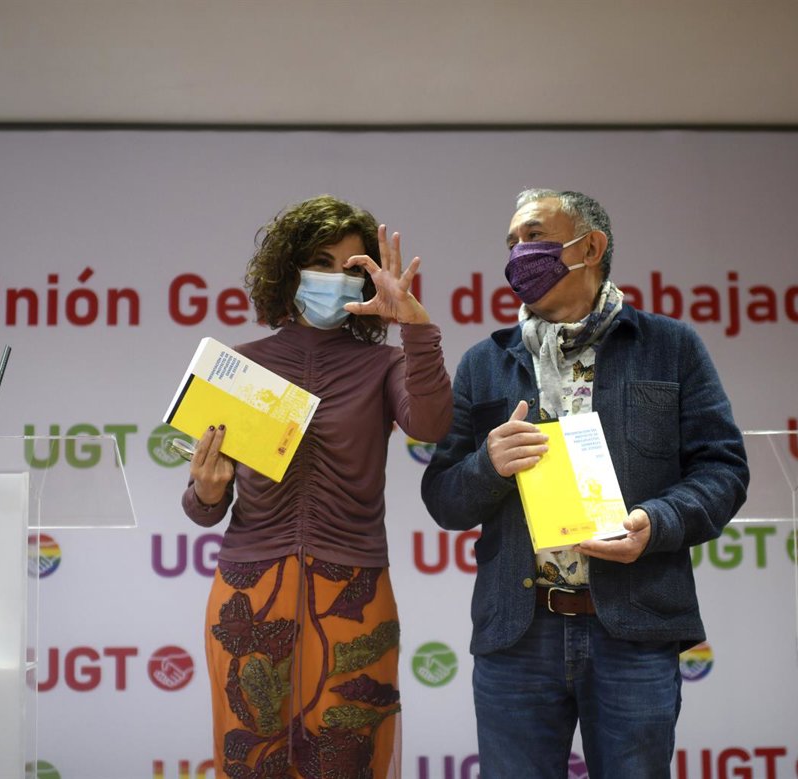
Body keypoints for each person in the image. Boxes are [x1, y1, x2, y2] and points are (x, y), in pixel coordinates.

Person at [420, 189, 748, 778]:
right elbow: (444, 497)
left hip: (633, 625)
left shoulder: (670, 348)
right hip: (519, 633)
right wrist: (486, 466)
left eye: (534, 237)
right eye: (511, 243)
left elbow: (723, 469)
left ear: (590, 247)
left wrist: (656, 523)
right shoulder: (484, 363)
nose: (518, 254)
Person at [182, 195, 453, 779]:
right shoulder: (239, 366)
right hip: (250, 588)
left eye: (350, 267)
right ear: (289, 269)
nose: (335, 278)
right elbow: (204, 509)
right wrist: (205, 490)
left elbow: (431, 425)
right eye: (321, 262)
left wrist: (414, 325)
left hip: (353, 587)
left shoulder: (383, 365)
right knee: (253, 758)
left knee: (346, 756)